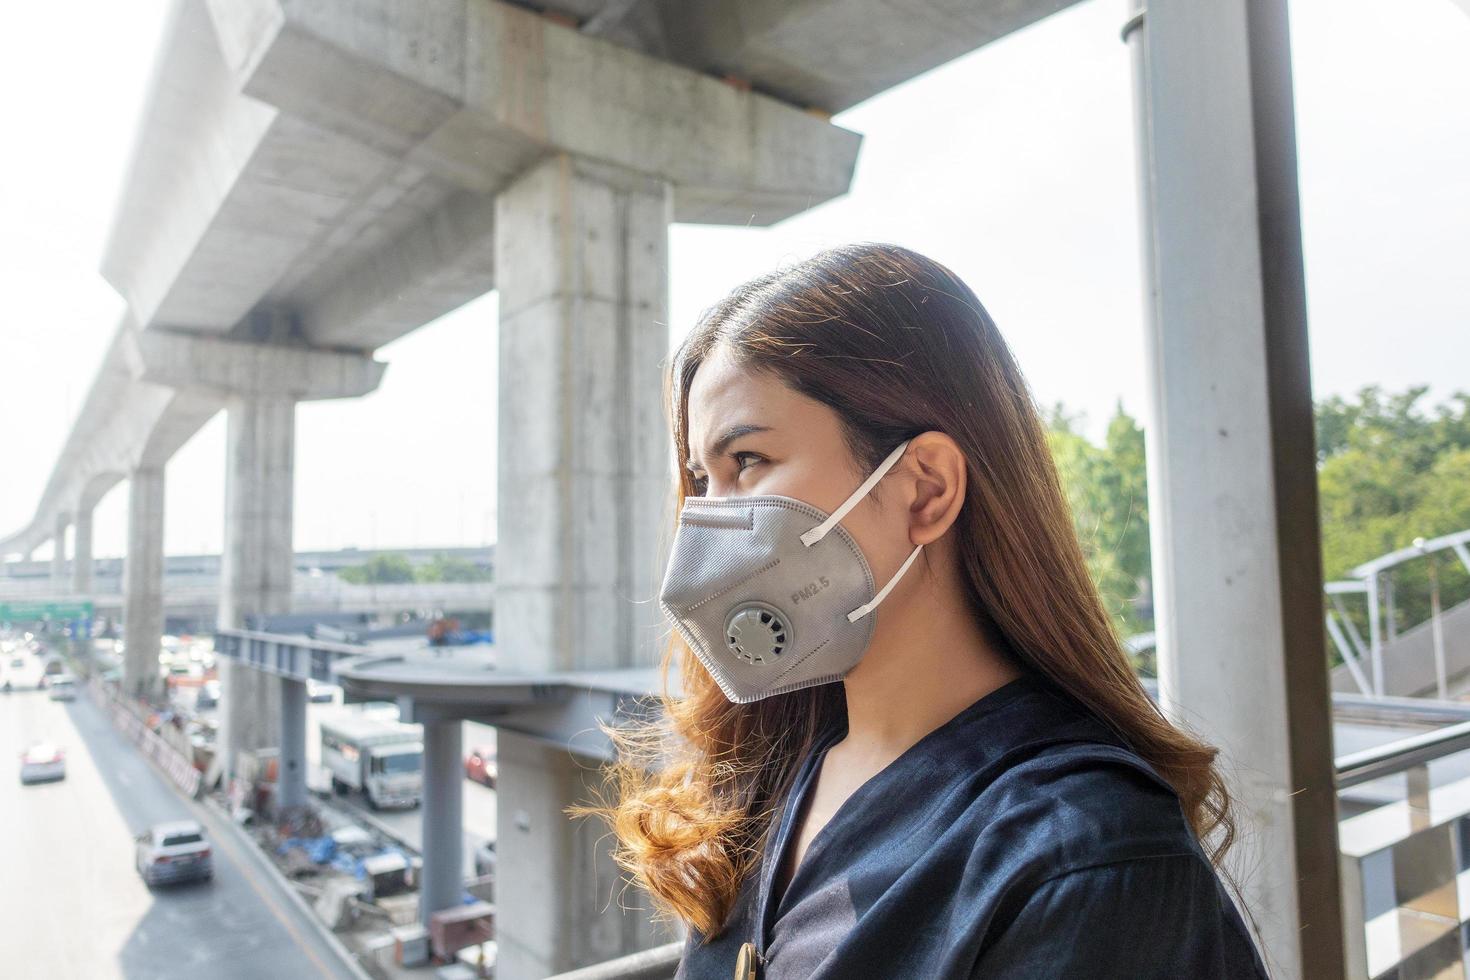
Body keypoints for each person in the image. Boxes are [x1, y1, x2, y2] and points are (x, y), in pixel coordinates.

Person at [578, 243, 1271, 979]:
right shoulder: (782, 770)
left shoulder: (1086, 856)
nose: (708, 526)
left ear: (926, 488)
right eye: (701, 479)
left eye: (746, 461)